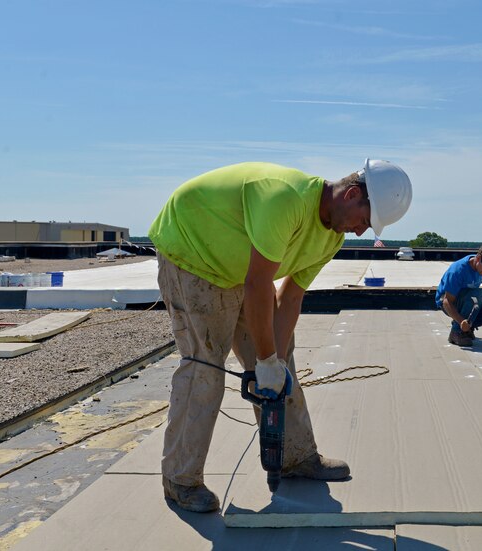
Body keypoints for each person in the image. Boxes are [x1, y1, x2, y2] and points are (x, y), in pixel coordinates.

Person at [148, 159, 412, 512]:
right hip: (193, 251)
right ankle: (180, 479)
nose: (362, 232)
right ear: (351, 194)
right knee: (205, 365)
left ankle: (294, 457)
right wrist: (264, 361)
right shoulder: (284, 198)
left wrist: (272, 361)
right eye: (364, 221)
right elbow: (258, 284)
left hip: (239, 269)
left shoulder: (330, 239)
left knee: (280, 357)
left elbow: (289, 297)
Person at [435, 243, 482, 346]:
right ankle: (456, 332)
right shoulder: (458, 271)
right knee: (478, 294)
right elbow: (446, 302)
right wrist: (461, 321)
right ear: (478, 258)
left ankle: (467, 327)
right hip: (447, 302)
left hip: (469, 300)